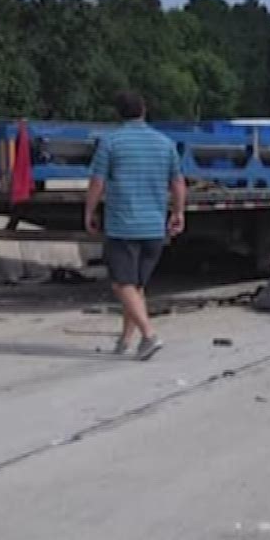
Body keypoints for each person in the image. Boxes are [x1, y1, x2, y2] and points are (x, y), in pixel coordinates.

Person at [84, 91, 186, 360]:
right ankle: (125, 341)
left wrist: (90, 211)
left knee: (121, 284)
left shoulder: (111, 142)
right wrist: (178, 212)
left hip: (123, 227)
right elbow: (177, 182)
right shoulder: (165, 143)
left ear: (118, 113)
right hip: (154, 228)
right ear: (144, 110)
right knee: (136, 287)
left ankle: (149, 335)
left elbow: (97, 182)